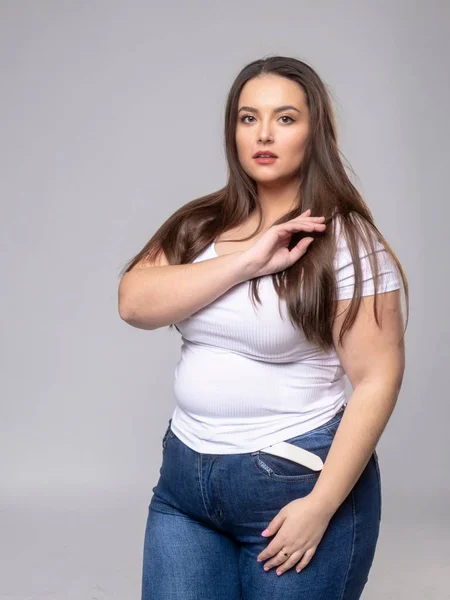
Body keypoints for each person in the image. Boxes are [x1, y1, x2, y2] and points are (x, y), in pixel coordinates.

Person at [118, 55, 408, 600]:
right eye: (248, 118)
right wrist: (247, 260)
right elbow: (134, 303)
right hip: (185, 489)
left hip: (293, 487)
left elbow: (377, 378)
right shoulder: (200, 224)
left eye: (286, 118)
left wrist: (321, 506)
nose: (264, 134)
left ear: (314, 131)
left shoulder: (344, 239)